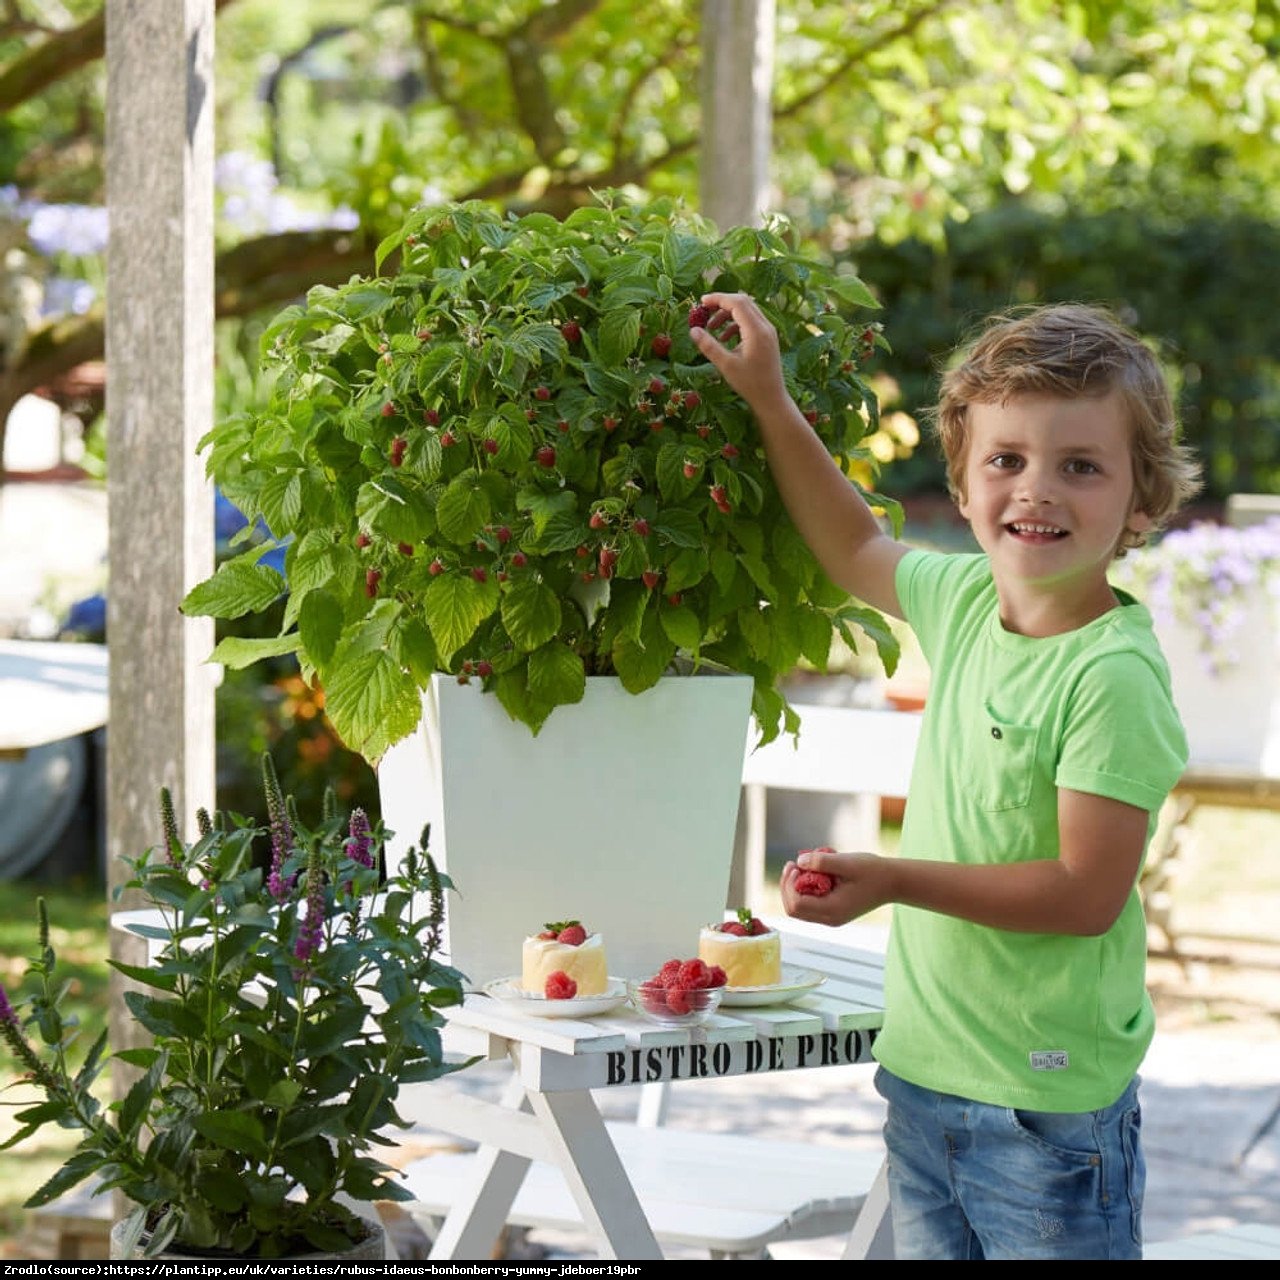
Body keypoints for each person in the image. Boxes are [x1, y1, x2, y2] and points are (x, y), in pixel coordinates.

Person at [690, 295, 1202, 1260]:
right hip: (923, 1077)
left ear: (1143, 502)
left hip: (1044, 1110)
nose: (1036, 491)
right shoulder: (964, 599)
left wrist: (892, 879)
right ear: (962, 488)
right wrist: (769, 400)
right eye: (1005, 461)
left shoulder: (1113, 676)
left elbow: (1085, 893)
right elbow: (851, 544)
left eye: (1080, 467)